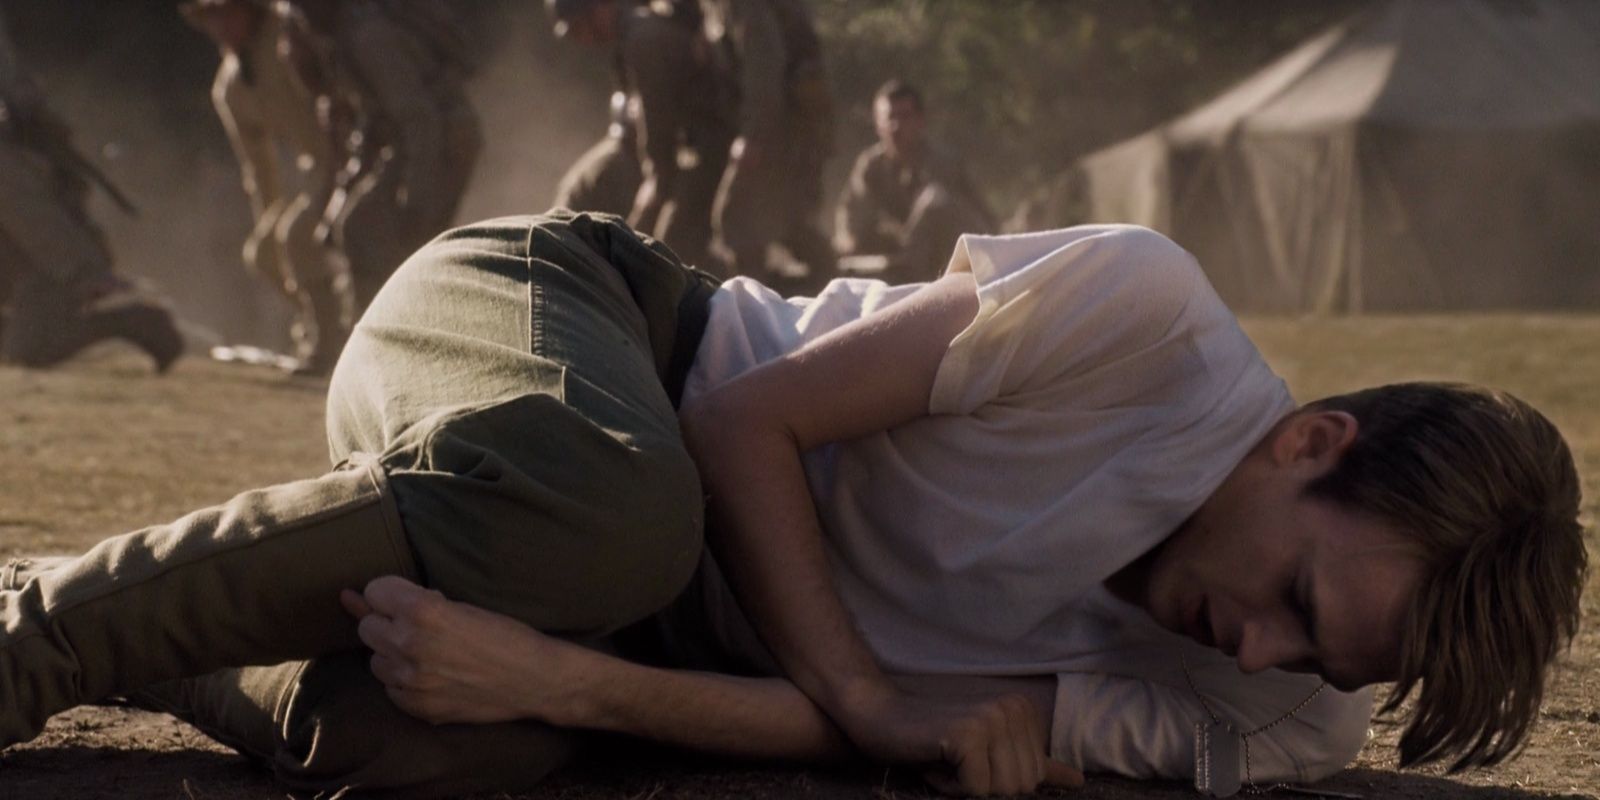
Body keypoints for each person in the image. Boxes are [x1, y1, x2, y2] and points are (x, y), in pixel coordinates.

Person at [0, 211, 1585, 798]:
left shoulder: (1286, 721)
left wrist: (564, 685)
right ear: (1310, 445)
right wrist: (862, 692)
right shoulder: (1147, 319)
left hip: (631, 597)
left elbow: (891, 735)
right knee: (615, 513)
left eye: (1323, 664)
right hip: (580, 330)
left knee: (452, 748)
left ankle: (179, 650)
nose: (1258, 655)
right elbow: (741, 422)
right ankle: (34, 638)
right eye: (1299, 605)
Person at [0, 11, 183, 371]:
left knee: (30, 349)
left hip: (49, 266)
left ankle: (140, 323)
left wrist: (83, 273)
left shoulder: (10, 152)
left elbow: (36, 218)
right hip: (19, 260)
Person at [183, 0, 353, 376]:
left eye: (229, 14)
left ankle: (330, 346)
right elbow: (258, 165)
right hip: (318, 171)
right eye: (213, 18)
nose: (222, 26)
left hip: (351, 156)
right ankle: (327, 323)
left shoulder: (291, 39)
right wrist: (268, 219)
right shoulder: (230, 87)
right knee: (263, 252)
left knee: (297, 237)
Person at [315, 0, 484, 313]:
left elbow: (420, 121)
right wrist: (344, 193)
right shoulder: (349, 36)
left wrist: (415, 200)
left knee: (401, 246)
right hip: (424, 144)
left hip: (444, 142)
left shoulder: (368, 38)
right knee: (361, 229)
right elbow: (374, 122)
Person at [548, 0, 737, 269]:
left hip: (710, 149)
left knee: (665, 252)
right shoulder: (634, 35)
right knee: (659, 248)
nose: (581, 39)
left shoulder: (643, 39)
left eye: (580, 27)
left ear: (600, 10)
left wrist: (657, 180)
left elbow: (658, 117)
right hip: (694, 149)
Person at [699, 0, 835, 286]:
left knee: (735, 218)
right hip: (787, 132)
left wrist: (754, 135)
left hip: (780, 133)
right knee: (788, 219)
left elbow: (763, 68)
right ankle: (827, 279)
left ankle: (752, 299)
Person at [835, 80, 995, 285]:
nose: (896, 126)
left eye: (905, 117)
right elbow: (851, 217)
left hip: (950, 257)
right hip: (899, 255)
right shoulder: (871, 166)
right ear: (878, 124)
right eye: (890, 117)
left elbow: (982, 222)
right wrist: (852, 240)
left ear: (920, 121)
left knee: (934, 201)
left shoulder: (944, 164)